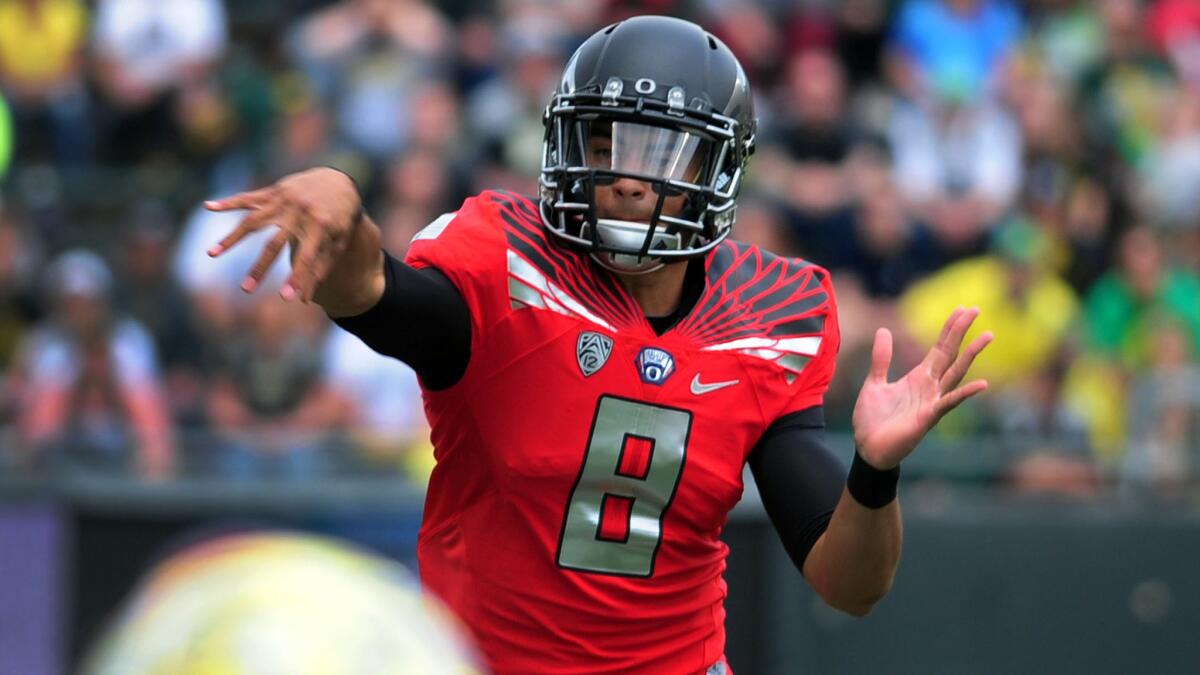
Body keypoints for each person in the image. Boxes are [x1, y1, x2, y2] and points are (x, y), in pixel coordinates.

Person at [205, 16, 992, 674]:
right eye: (608, 142)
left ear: (718, 169)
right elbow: (379, 295)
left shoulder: (770, 313)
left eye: (662, 152)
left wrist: (876, 471)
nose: (626, 176)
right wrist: (344, 215)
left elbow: (849, 583)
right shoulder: (506, 262)